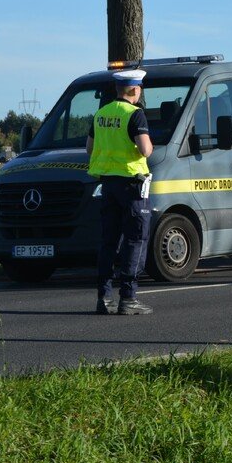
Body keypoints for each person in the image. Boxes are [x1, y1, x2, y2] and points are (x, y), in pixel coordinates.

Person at [87, 69, 155, 315]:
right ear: (135, 90)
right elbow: (145, 149)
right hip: (132, 185)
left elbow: (89, 147)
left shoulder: (101, 114)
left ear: (118, 90)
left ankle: (104, 297)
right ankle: (129, 298)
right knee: (136, 239)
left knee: (109, 241)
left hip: (108, 184)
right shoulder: (135, 115)